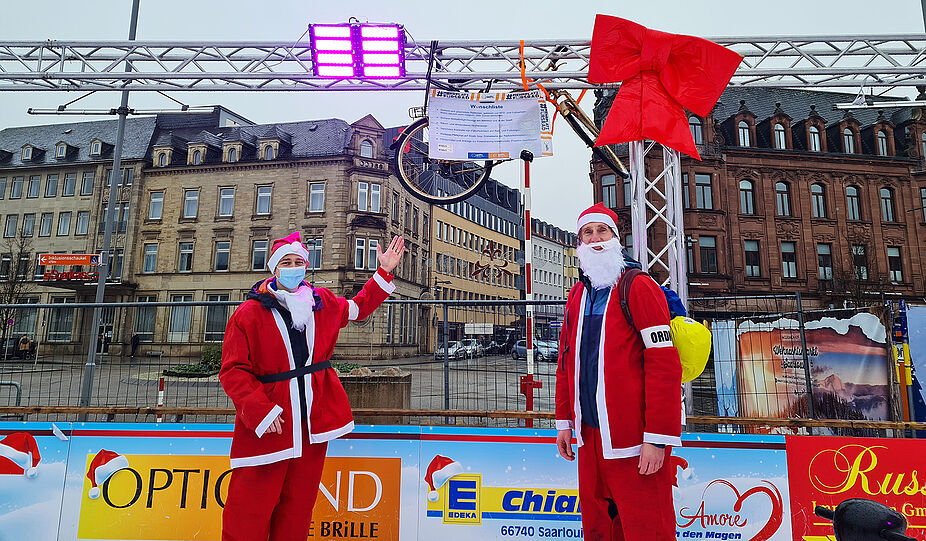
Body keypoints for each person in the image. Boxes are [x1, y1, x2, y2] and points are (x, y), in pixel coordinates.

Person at [219, 231, 405, 541]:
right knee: (248, 509)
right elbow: (233, 371)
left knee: (298, 510)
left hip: (312, 424)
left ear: (306, 266)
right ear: (274, 269)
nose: (293, 267)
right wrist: (260, 410)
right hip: (271, 424)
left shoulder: (323, 303)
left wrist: (383, 272)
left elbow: (359, 307)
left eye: (299, 262)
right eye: (286, 262)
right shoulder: (248, 313)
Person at [554, 203, 682, 541]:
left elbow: (664, 364)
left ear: (615, 238)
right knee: (598, 528)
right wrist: (564, 422)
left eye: (602, 231)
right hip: (590, 437)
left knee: (646, 528)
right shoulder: (577, 294)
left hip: (633, 441)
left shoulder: (638, 286)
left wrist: (657, 438)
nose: (595, 238)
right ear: (578, 242)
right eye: (587, 232)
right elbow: (566, 362)